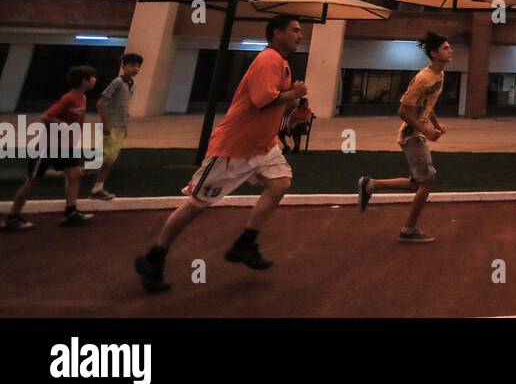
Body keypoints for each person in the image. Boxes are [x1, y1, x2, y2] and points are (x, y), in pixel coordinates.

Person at [134, 17, 307, 292]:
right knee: (196, 204)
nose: (300, 35)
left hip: (263, 145)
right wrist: (293, 94)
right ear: (277, 33)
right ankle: (154, 257)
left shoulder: (282, 62)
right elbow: (262, 101)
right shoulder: (269, 59)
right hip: (234, 148)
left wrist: (292, 98)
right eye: (295, 30)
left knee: (280, 182)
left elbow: (274, 101)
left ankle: (245, 244)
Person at [358, 30, 450, 244]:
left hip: (418, 133)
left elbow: (427, 102)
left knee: (416, 183)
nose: (450, 50)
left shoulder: (439, 75)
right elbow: (403, 110)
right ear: (435, 54)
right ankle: (408, 230)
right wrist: (426, 130)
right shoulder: (423, 78)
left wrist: (435, 124)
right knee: (427, 181)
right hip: (412, 135)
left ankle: (371, 184)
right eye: (446, 48)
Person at [4, 65, 98, 231]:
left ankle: (70, 212)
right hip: (47, 147)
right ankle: (13, 216)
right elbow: (46, 116)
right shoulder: (68, 98)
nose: (95, 80)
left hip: (65, 146)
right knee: (33, 180)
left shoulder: (82, 98)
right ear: (85, 81)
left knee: (75, 173)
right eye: (93, 77)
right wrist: (63, 125)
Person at [92, 51, 143, 200]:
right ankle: (97, 186)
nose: (136, 69)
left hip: (120, 126)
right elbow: (101, 103)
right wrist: (106, 123)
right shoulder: (117, 82)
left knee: (110, 157)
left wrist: (125, 126)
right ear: (123, 66)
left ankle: (98, 185)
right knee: (107, 157)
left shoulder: (131, 84)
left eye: (138, 66)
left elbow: (126, 109)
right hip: (112, 125)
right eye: (132, 65)